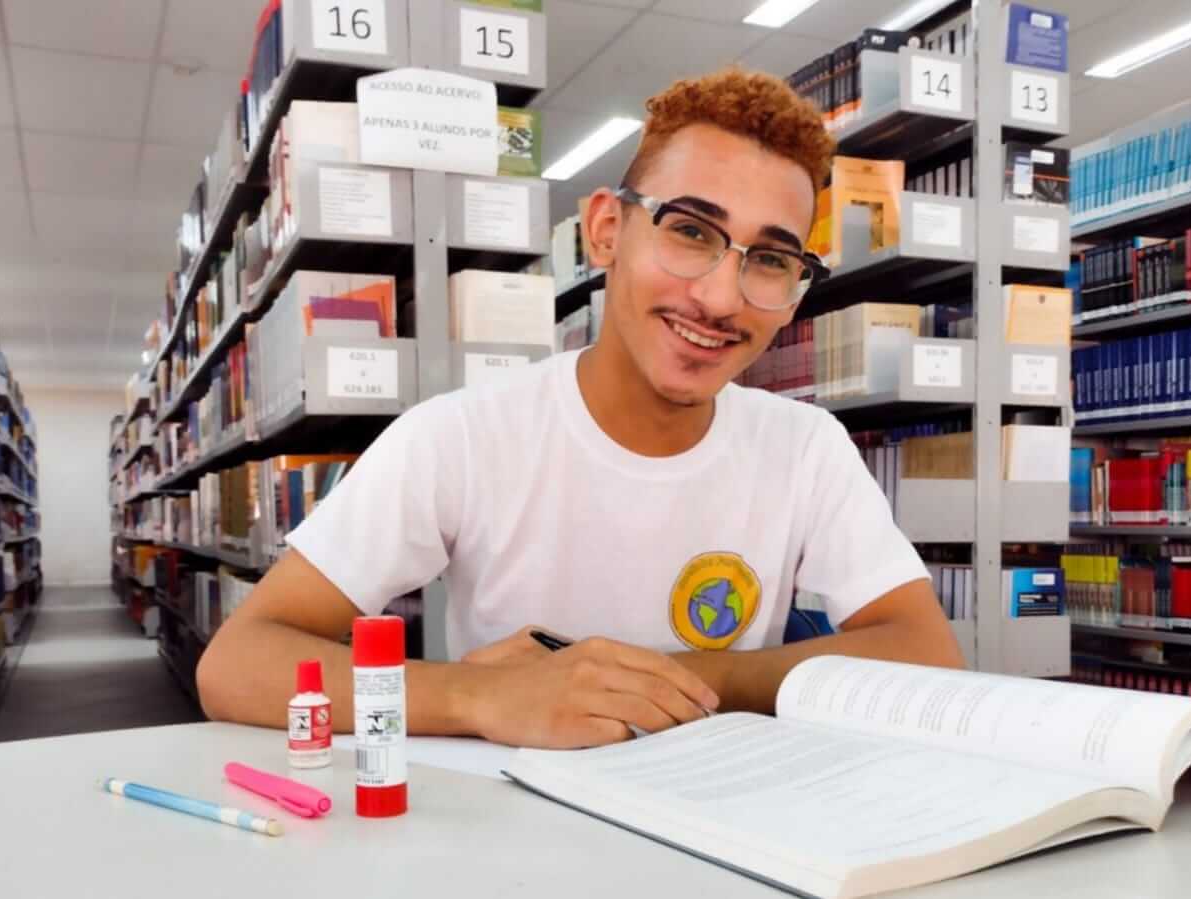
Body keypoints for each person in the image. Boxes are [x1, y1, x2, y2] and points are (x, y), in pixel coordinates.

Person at [197, 66, 964, 749]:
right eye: (691, 232)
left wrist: (676, 679)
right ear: (607, 230)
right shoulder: (460, 437)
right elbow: (237, 663)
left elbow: (927, 652)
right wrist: (479, 694)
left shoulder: (805, 447)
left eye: (769, 259)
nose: (721, 297)